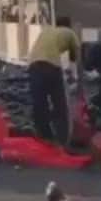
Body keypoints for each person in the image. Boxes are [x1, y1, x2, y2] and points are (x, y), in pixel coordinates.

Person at [27, 16, 80, 144]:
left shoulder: (46, 31)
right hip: (51, 67)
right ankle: (63, 140)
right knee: (59, 104)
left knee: (39, 104)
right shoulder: (70, 33)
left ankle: (45, 138)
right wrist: (74, 75)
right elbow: (75, 56)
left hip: (33, 66)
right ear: (68, 25)